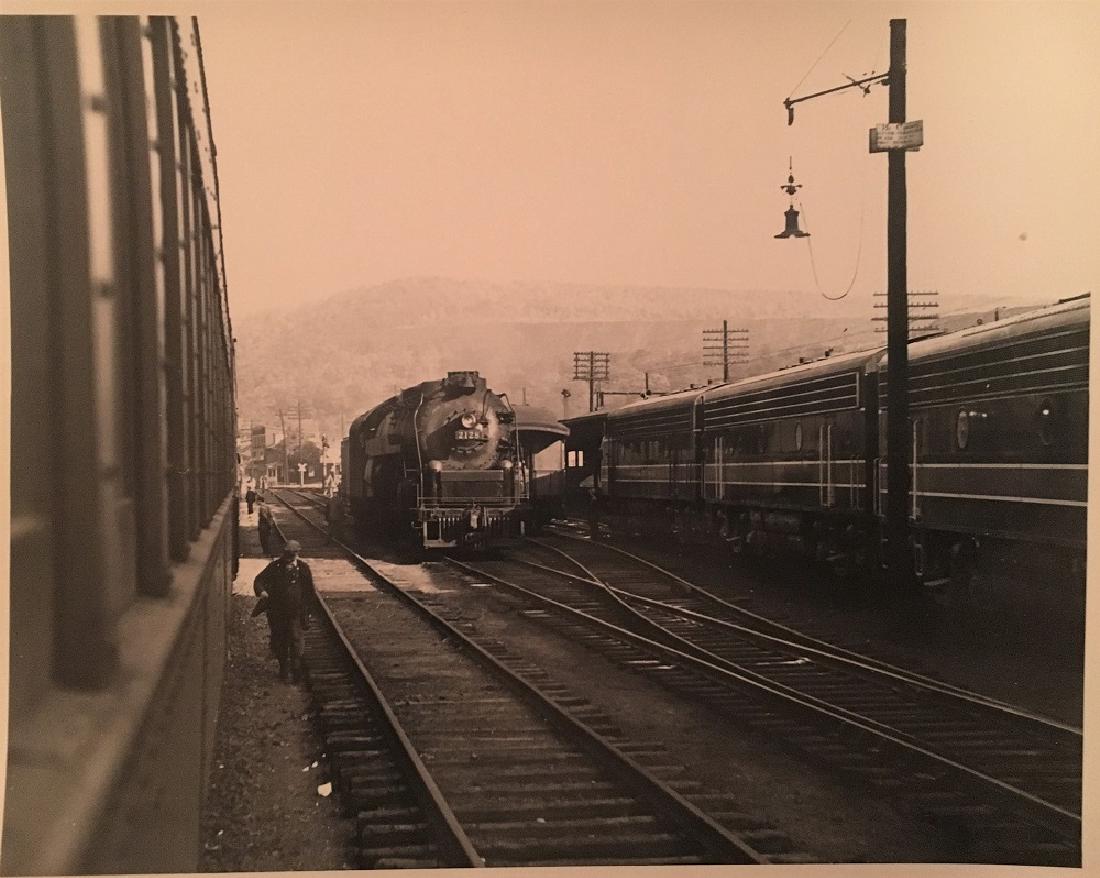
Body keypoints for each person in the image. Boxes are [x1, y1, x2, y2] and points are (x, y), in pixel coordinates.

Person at [253, 540, 316, 682]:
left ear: (297, 554)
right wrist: (262, 591)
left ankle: (296, 670)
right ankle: (283, 670)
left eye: (292, 555)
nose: (288, 558)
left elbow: (309, 591)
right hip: (278, 613)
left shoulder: (303, 568)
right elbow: (259, 580)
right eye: (287, 554)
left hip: (296, 613)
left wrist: (308, 611)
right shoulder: (275, 567)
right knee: (280, 640)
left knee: (296, 640)